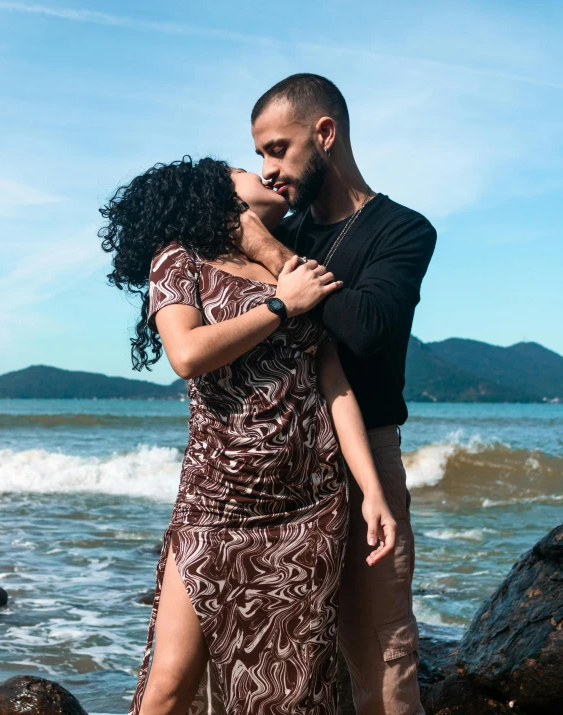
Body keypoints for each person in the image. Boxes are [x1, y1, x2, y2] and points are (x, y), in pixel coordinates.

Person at [98, 156, 397, 715]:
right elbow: (186, 355)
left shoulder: (297, 267)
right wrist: (283, 307)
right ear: (212, 191)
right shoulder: (180, 257)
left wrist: (372, 491)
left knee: (288, 689)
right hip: (218, 499)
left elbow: (335, 389)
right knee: (169, 685)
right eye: (240, 168)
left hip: (309, 506)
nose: (259, 172)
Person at [227, 73, 437, 715]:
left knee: (381, 653)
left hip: (366, 453)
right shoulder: (281, 225)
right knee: (278, 651)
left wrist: (266, 248)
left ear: (325, 134)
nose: (268, 170)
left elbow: (367, 331)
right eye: (259, 153)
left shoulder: (402, 230)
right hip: (276, 460)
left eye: (278, 148)